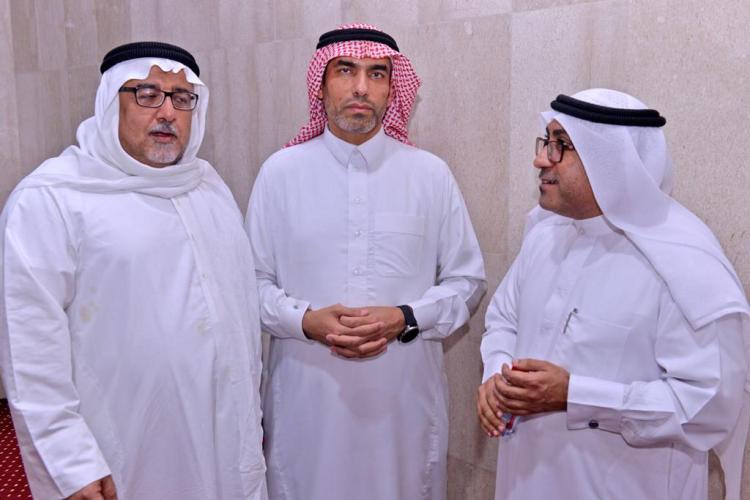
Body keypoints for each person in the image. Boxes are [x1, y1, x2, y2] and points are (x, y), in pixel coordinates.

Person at [0, 42, 267, 500]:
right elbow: (30, 350)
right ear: (111, 103)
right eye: (146, 94)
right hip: (120, 445)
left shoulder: (208, 187)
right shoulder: (51, 199)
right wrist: (71, 462)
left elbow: (238, 319)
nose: (167, 112)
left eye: (181, 98)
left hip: (224, 439)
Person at [246, 23, 486, 500]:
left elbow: (467, 280)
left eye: (377, 74)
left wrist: (405, 317)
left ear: (392, 89)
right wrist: (305, 320)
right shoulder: (280, 174)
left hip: (403, 410)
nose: (361, 87)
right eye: (345, 71)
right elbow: (249, 283)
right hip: (308, 408)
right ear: (320, 85)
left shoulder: (429, 175)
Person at [477, 88, 749, 500]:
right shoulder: (545, 237)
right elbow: (504, 320)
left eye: (561, 146)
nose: (541, 160)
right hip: (526, 480)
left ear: (610, 159)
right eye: (546, 142)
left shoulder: (683, 262)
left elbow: (709, 405)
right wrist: (496, 376)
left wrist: (576, 395)